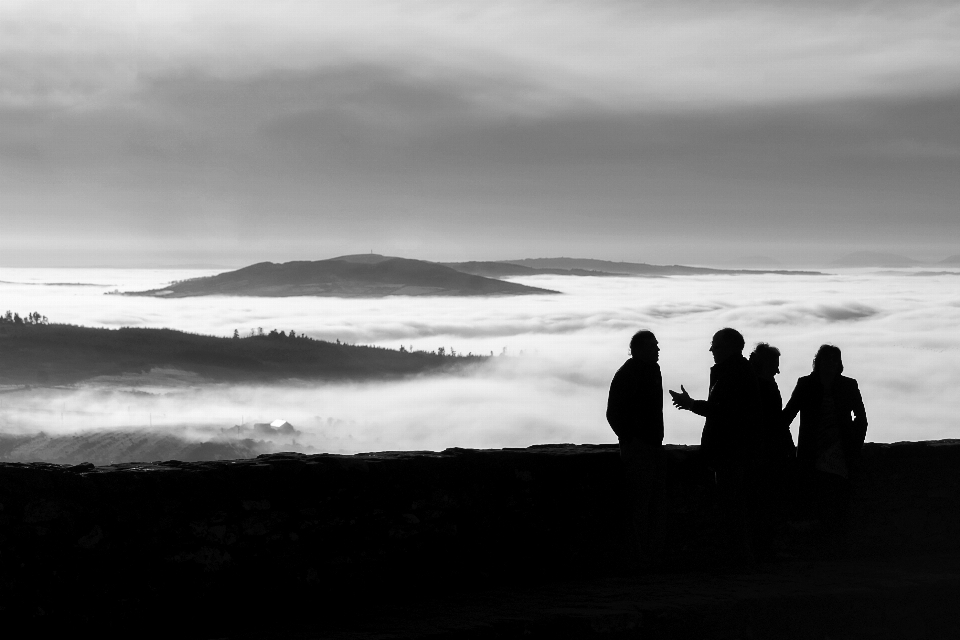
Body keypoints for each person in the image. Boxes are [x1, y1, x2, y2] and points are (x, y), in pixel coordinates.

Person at [669, 328, 759, 563]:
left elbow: (724, 412)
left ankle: (739, 558)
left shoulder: (735, 373)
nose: (711, 350)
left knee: (733, 507)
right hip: (731, 450)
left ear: (730, 348)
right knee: (733, 506)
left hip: (731, 450)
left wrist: (690, 404)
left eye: (716, 346)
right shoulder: (737, 371)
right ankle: (739, 557)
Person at [782, 344, 867, 557]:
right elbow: (787, 416)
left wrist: (853, 444)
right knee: (820, 498)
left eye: (833, 360)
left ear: (839, 364)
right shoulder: (806, 384)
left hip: (839, 451)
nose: (830, 363)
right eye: (826, 359)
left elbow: (861, 419)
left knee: (835, 498)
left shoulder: (848, 385)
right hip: (814, 451)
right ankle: (825, 547)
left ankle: (833, 546)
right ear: (818, 362)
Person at [606, 330, 665, 567]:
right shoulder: (629, 374)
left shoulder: (650, 370)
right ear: (638, 350)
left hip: (651, 445)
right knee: (640, 507)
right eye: (653, 347)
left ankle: (648, 557)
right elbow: (613, 414)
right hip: (641, 447)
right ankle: (639, 558)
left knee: (650, 506)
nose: (657, 351)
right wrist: (631, 440)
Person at [746, 342, 795, 560]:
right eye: (775, 364)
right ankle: (763, 548)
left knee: (764, 504)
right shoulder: (761, 386)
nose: (778, 370)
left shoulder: (760, 384)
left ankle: (763, 547)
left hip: (767, 452)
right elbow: (775, 422)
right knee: (764, 504)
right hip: (765, 453)